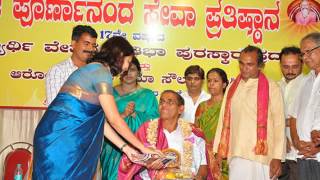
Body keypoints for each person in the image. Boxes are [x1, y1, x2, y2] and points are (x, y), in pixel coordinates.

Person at [32, 36, 159, 179]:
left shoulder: (98, 71)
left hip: (67, 135)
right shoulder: (101, 72)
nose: (127, 67)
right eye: (128, 61)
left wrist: (127, 149)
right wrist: (142, 148)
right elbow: (114, 119)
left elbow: (101, 122)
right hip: (62, 136)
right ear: (119, 56)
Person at [213, 45, 285, 180]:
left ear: (260, 66)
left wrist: (277, 157)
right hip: (236, 152)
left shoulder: (272, 87)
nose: (244, 68)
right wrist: (218, 151)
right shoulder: (231, 88)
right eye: (241, 63)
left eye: (250, 64)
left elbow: (279, 124)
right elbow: (223, 121)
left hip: (262, 157)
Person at [118, 90, 208, 180]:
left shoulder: (193, 132)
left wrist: (198, 178)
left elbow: (203, 164)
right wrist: (148, 164)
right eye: (162, 102)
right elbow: (130, 162)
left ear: (180, 109)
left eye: (170, 102)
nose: (164, 105)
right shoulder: (146, 130)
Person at [100, 56, 159, 180]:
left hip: (138, 145)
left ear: (138, 72)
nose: (128, 73)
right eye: (126, 70)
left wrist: (136, 115)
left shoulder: (147, 95)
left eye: (132, 70)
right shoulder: (107, 92)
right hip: (111, 144)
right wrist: (123, 115)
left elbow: (155, 122)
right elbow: (100, 119)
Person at [289, 32, 320, 180]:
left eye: (308, 52)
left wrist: (318, 147)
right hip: (304, 157)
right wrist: (296, 142)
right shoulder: (305, 82)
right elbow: (294, 116)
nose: (305, 58)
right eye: (303, 54)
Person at [46, 25, 98, 105]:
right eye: (86, 44)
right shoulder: (58, 71)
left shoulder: (96, 71)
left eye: (93, 45)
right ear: (73, 44)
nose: (91, 49)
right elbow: (55, 106)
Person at [195, 68, 229, 180]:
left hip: (224, 154)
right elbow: (196, 133)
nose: (211, 84)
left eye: (215, 81)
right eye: (209, 81)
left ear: (224, 84)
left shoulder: (229, 106)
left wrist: (221, 151)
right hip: (204, 155)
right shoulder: (202, 106)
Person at [278, 46, 304, 180]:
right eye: (286, 66)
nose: (290, 71)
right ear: (280, 65)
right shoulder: (275, 87)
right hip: (279, 155)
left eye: (295, 66)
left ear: (302, 64)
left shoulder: (308, 85)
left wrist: (285, 122)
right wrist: (282, 135)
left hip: (301, 155)